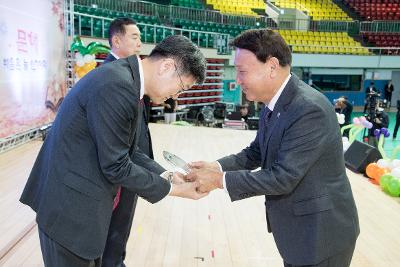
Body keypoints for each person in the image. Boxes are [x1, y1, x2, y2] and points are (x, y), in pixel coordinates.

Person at [19, 35, 207, 267]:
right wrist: (175, 190)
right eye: (181, 87)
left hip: (82, 209)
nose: (177, 96)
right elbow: (116, 165)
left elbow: (129, 150)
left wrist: (168, 176)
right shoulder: (118, 86)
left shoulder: (128, 80)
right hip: (69, 213)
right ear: (167, 66)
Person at [187, 29, 359, 267]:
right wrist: (214, 166)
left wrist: (219, 180)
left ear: (271, 66)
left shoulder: (309, 110)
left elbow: (282, 178)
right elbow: (255, 153)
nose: (237, 80)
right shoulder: (274, 103)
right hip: (299, 233)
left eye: (242, 71)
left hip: (321, 237)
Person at [100, 17, 151, 267]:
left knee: (121, 227)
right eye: (134, 37)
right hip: (120, 167)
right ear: (116, 40)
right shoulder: (112, 77)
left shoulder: (129, 75)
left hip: (132, 163)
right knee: (115, 228)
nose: (139, 44)